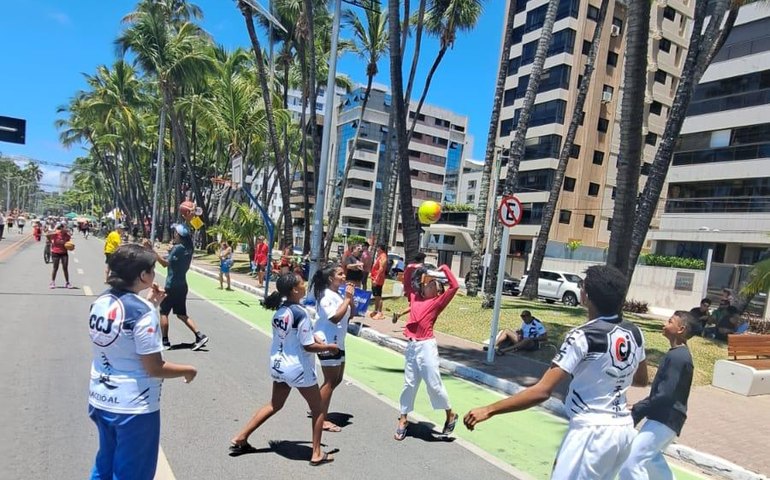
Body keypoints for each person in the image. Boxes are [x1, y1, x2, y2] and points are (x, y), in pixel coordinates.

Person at [464, 265, 649, 479]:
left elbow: (542, 391)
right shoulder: (634, 332)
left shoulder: (582, 336)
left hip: (591, 431)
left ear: (586, 296)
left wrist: (489, 409)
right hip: (623, 431)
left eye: (582, 286)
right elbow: (641, 380)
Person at [87, 244, 197, 480]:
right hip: (132, 407)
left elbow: (122, 334)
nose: (154, 274)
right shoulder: (142, 312)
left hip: (101, 398)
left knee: (104, 465)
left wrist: (152, 304)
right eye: (152, 269)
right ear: (143, 276)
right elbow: (154, 367)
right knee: (132, 473)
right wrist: (188, 370)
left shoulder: (102, 301)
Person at [229, 273, 338, 466]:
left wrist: (314, 338)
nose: (305, 286)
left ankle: (241, 437)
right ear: (294, 290)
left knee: (274, 404)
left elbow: (295, 336)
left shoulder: (281, 310)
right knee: (318, 408)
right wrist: (329, 347)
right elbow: (307, 347)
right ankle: (316, 453)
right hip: (297, 368)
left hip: (278, 365)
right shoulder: (300, 313)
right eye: (302, 284)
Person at [618, 311, 696, 480]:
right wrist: (640, 406)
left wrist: (639, 408)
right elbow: (663, 394)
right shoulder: (677, 354)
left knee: (631, 461)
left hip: (665, 419)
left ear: (681, 329)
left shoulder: (678, 357)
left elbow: (665, 394)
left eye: (670, 321)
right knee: (652, 460)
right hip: (667, 418)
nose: (664, 324)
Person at [395, 264, 460, 441]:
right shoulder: (414, 298)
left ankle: (450, 414)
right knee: (409, 383)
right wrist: (415, 267)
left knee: (433, 383)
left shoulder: (437, 302)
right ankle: (403, 418)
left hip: (427, 346)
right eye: (428, 282)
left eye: (434, 284)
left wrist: (444, 268)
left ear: (438, 292)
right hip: (412, 346)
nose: (430, 285)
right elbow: (408, 278)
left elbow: (455, 286)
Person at [145, 224, 208, 351]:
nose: (174, 234)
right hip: (182, 284)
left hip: (172, 284)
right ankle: (199, 336)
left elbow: (164, 263)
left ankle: (165, 341)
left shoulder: (177, 248)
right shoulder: (189, 247)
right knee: (181, 314)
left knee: (163, 312)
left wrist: (152, 250)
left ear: (178, 235)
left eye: (175, 233)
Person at [311, 265, 355, 432]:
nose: (344, 277)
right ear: (331, 278)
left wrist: (350, 299)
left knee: (336, 379)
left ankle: (320, 409)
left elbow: (349, 314)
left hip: (339, 341)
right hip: (327, 341)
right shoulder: (325, 296)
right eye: (340, 274)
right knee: (330, 381)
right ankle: (320, 417)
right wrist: (347, 299)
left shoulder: (339, 294)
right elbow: (335, 318)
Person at [391, 252, 427, 324]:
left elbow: (404, 277)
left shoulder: (409, 266)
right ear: (422, 259)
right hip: (416, 289)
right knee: (416, 305)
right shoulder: (422, 267)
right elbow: (422, 280)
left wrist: (405, 289)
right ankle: (401, 315)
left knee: (413, 305)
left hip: (408, 288)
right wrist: (423, 289)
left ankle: (401, 315)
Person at [46, 223, 73, 289]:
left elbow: (70, 242)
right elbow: (47, 235)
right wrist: (51, 241)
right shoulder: (55, 234)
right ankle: (52, 282)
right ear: (61, 228)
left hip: (64, 252)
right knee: (55, 267)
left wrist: (70, 246)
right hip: (55, 252)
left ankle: (67, 283)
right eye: (64, 227)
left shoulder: (67, 235)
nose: (65, 228)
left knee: (65, 267)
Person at [368, 244, 389, 320]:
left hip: (378, 279)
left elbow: (381, 269)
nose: (377, 250)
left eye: (378, 248)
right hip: (374, 278)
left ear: (381, 249)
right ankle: (376, 310)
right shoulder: (379, 256)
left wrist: (376, 279)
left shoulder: (383, 257)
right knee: (376, 296)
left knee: (378, 296)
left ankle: (380, 312)